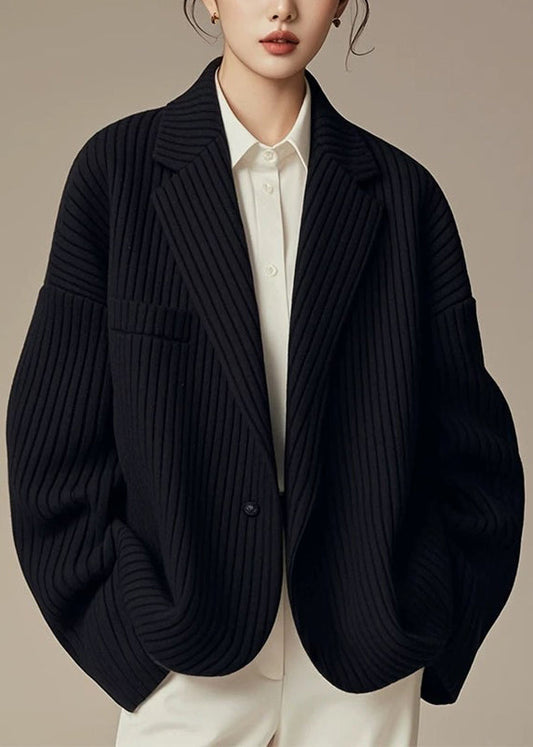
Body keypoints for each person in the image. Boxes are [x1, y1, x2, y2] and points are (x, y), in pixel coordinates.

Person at [6, 1, 525, 745]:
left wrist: (423, 624)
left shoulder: (404, 197)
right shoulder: (116, 175)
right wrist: (129, 644)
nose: (282, 7)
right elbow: (52, 446)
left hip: (362, 663)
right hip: (186, 656)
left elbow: (477, 458)